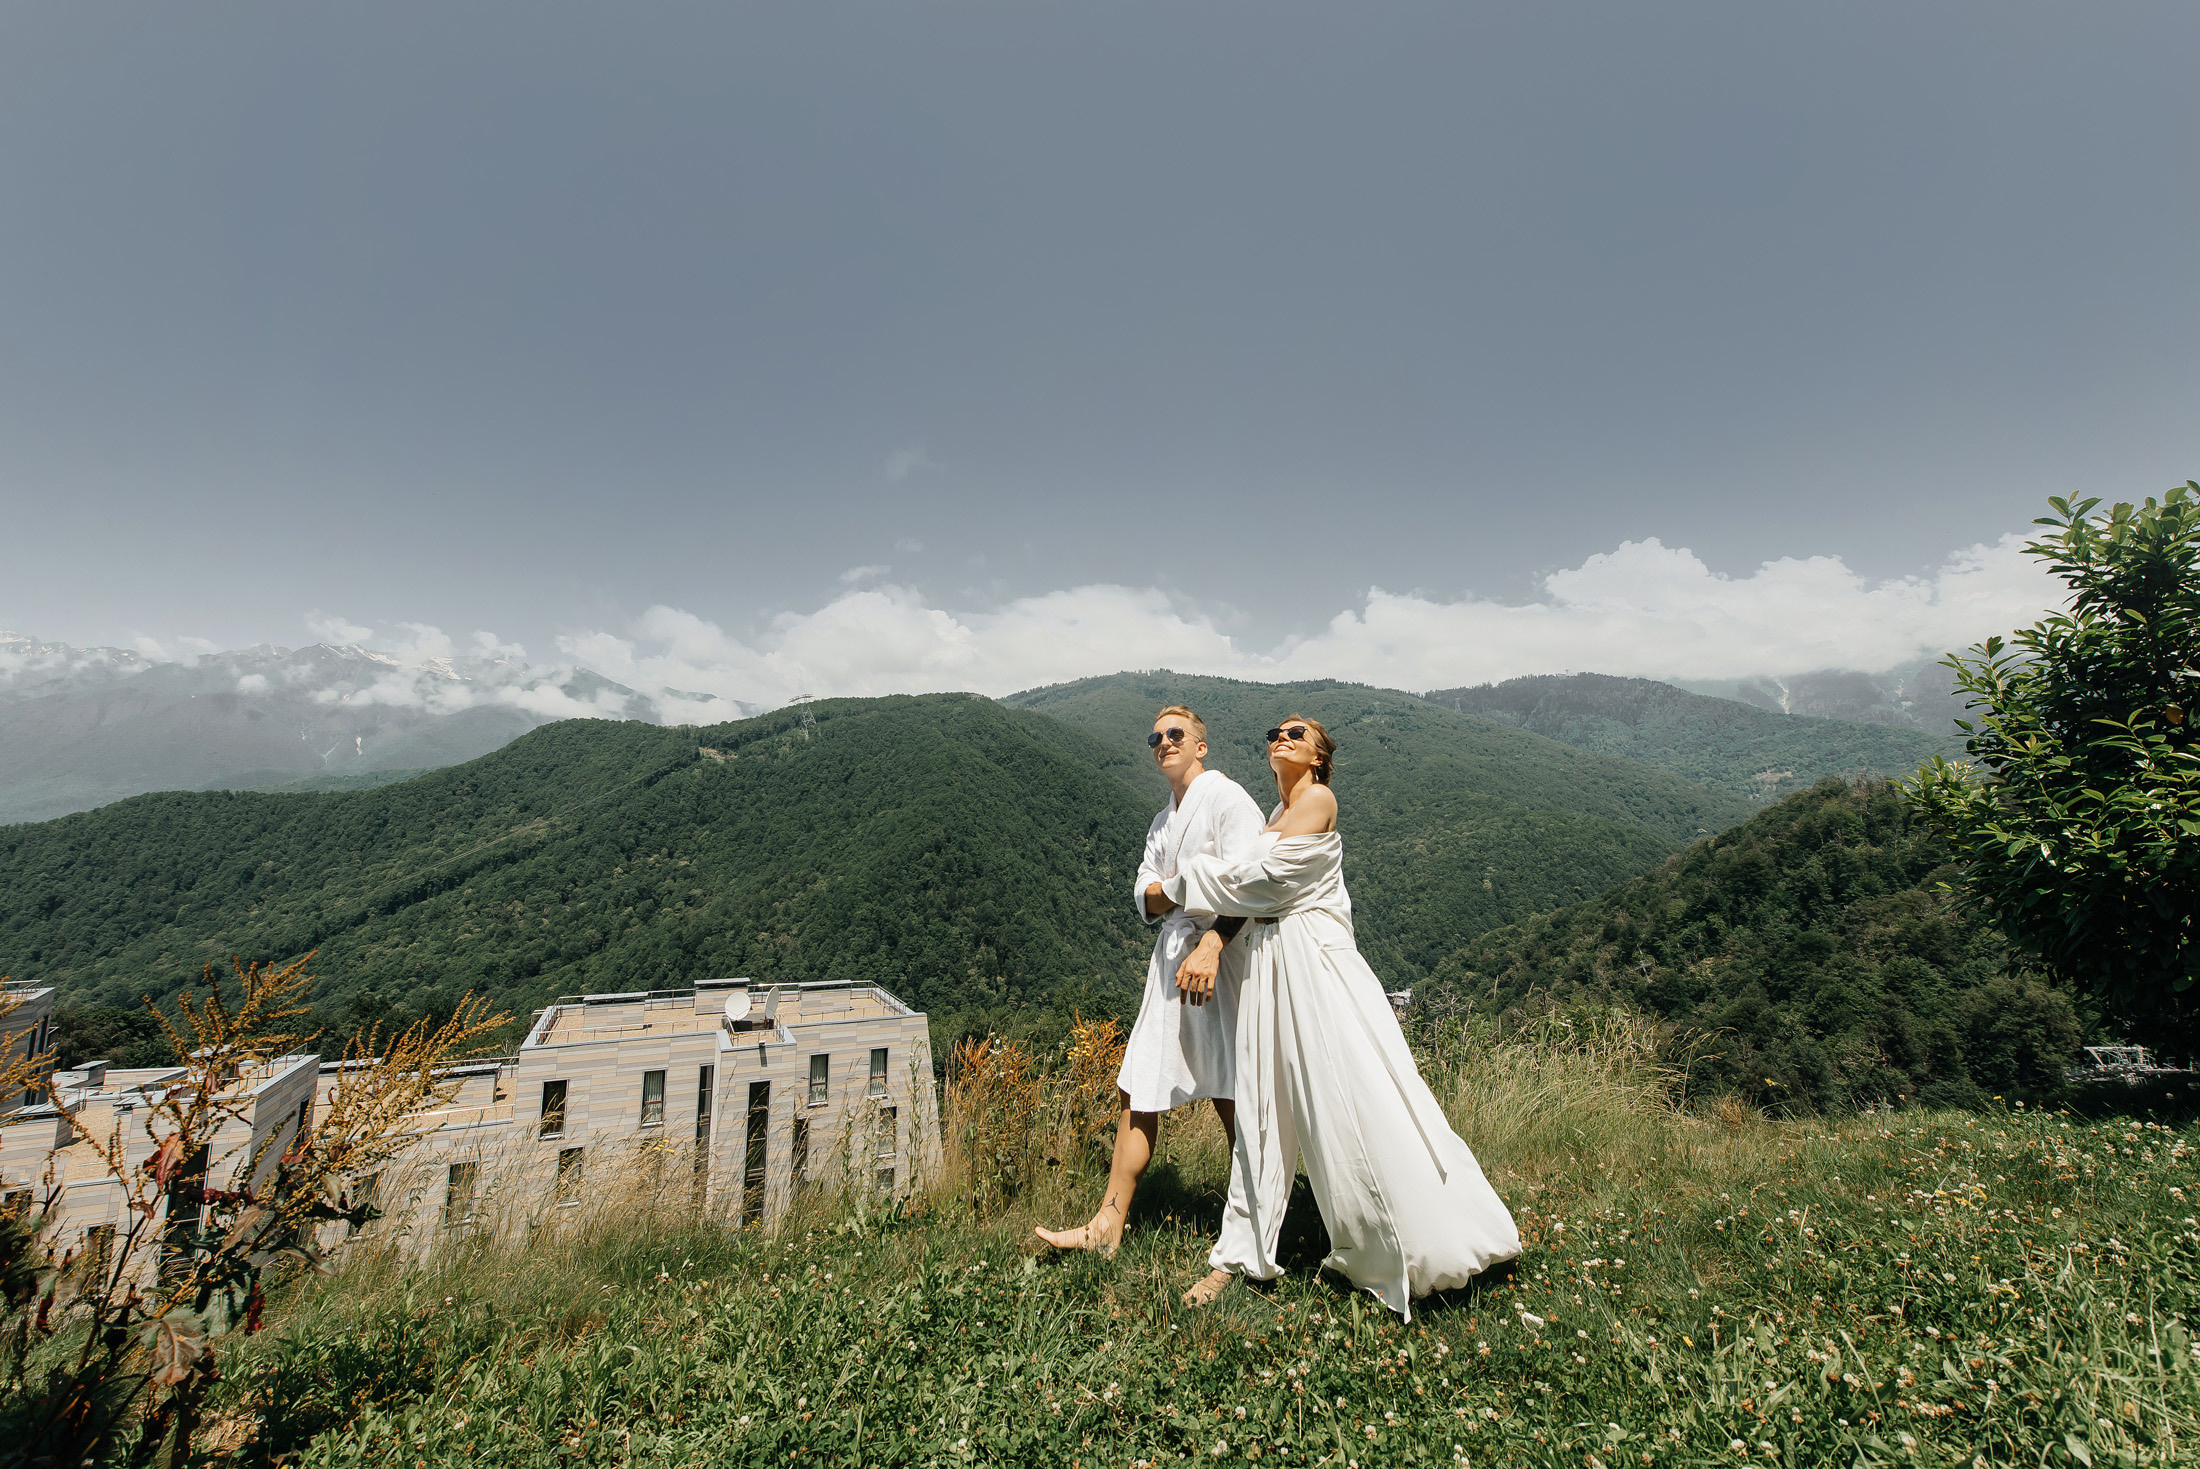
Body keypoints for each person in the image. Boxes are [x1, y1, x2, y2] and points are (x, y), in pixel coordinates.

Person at [1167, 714, 1520, 1318]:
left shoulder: (1318, 800)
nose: (1281, 737)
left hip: (1315, 969)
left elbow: (1263, 879)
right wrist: (1222, 904)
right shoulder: (1276, 817)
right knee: (1258, 1106)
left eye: (1296, 734)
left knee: (1354, 1094)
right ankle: (1239, 1255)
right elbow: (1250, 887)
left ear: (1319, 757)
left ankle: (1409, 1237)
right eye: (1274, 733)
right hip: (1270, 967)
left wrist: (1181, 883)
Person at [1035, 704, 1265, 1256]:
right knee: (1138, 1087)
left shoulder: (1228, 799)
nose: (1163, 742)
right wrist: (1187, 888)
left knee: (1231, 1088)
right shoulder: (1164, 821)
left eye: (1175, 734)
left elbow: (1254, 882)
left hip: (1219, 961)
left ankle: (1259, 1220)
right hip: (1170, 966)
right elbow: (1146, 894)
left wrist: (1211, 939)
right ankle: (1107, 1225)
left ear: (1200, 745)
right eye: (1155, 736)